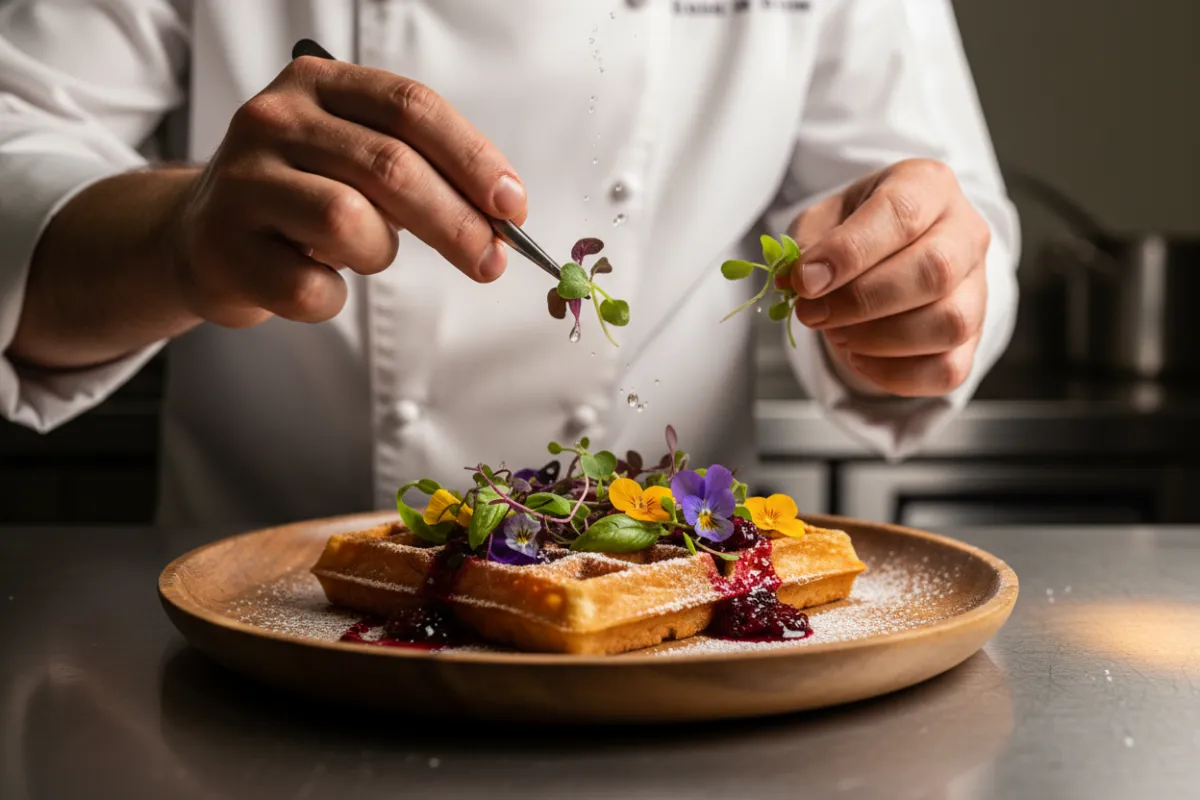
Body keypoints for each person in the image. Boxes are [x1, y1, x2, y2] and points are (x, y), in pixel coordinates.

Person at [0, 1, 1018, 526]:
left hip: (674, 659)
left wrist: (915, 290)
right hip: (264, 648)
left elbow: (945, 218)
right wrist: (178, 239)